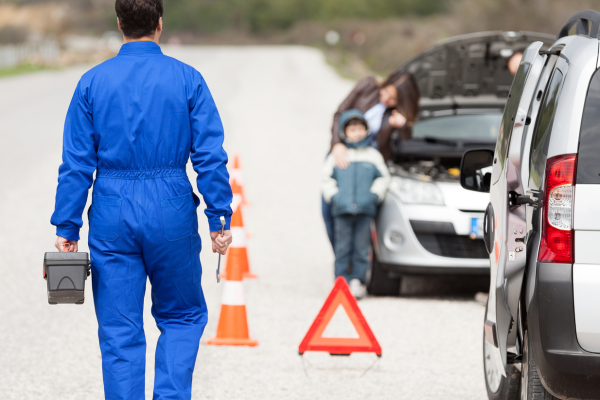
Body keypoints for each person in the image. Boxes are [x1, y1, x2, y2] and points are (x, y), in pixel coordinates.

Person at [49, 1, 233, 398]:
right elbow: (210, 156)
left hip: (112, 210)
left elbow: (76, 162)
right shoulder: (188, 79)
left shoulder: (92, 82)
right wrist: (219, 217)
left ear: (119, 23)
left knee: (119, 329)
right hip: (171, 207)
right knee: (182, 316)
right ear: (160, 24)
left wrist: (67, 224)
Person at [322, 71, 419, 248]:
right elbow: (340, 113)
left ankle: (358, 262)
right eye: (385, 92)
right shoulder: (368, 85)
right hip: (342, 156)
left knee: (361, 221)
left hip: (367, 168)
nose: (386, 98)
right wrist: (337, 143)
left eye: (392, 98)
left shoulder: (397, 115)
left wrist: (402, 126)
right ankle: (342, 260)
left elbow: (404, 144)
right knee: (329, 213)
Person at [322, 110, 391, 299]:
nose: (357, 133)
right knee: (342, 248)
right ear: (344, 132)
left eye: (360, 129)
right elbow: (326, 179)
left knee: (362, 248)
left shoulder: (373, 155)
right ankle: (340, 281)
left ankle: (357, 281)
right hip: (342, 210)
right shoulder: (338, 155)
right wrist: (334, 197)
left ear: (366, 130)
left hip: (365, 210)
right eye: (352, 130)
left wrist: (374, 196)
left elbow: (383, 178)